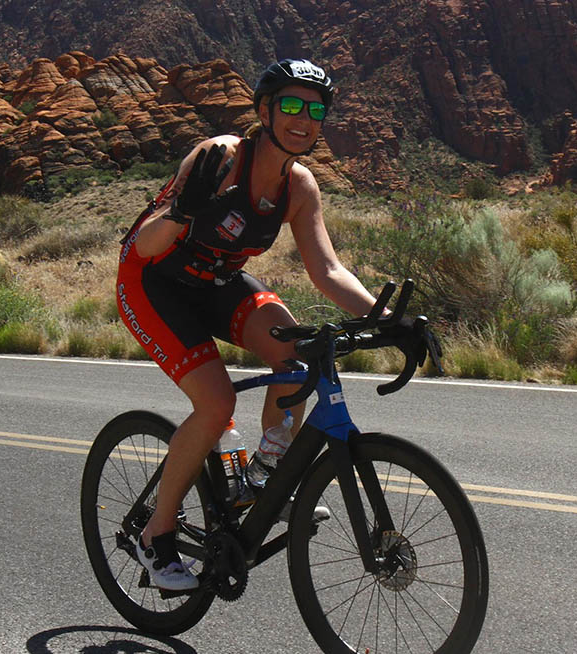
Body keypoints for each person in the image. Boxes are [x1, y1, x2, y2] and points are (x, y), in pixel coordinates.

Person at [115, 59, 386, 591]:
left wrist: (384, 317)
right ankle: (156, 535)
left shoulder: (300, 187)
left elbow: (327, 271)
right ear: (264, 110)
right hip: (153, 283)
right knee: (216, 406)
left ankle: (261, 479)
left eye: (315, 109)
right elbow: (144, 243)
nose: (303, 118)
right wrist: (180, 214)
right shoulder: (218, 158)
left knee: (297, 357)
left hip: (216, 283)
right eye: (290, 105)